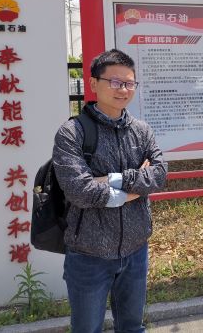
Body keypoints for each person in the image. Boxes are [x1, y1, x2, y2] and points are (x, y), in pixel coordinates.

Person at [53, 49, 168, 333]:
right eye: (115, 82)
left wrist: (110, 179)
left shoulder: (141, 131)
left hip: (136, 250)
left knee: (132, 327)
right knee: (87, 329)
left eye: (129, 83)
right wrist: (134, 188)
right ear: (94, 83)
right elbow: (80, 191)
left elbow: (159, 175)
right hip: (88, 254)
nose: (123, 90)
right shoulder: (72, 133)